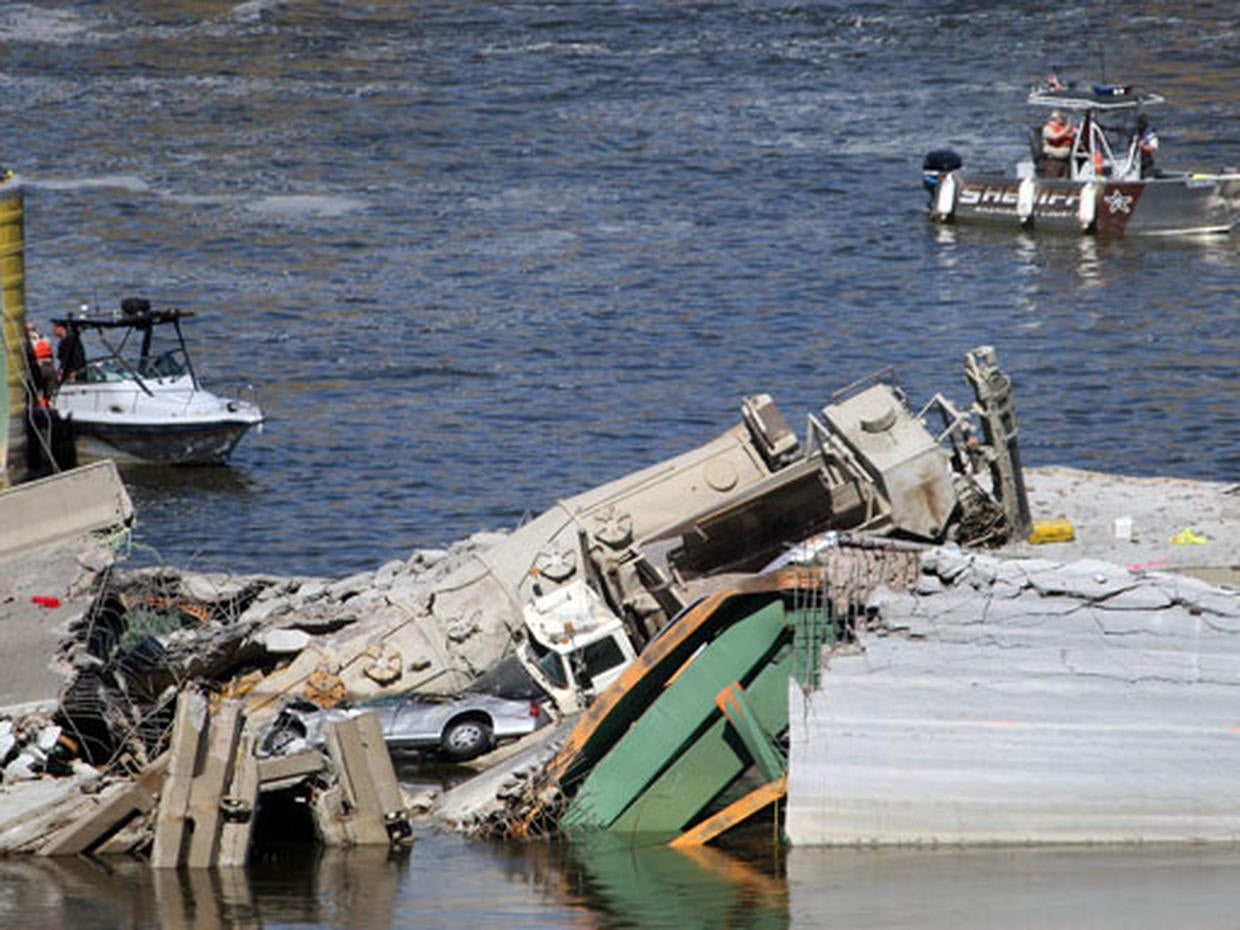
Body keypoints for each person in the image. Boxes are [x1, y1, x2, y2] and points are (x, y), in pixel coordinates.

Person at [1041, 109, 1075, 178]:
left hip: (1065, 160)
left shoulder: (1062, 127)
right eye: (1061, 117)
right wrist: (1066, 129)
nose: (1062, 119)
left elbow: (1069, 137)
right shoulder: (1047, 128)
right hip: (1053, 160)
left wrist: (1073, 132)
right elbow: (1055, 137)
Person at [52, 319, 86, 385]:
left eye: (55, 329)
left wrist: (72, 371)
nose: (54, 331)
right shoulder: (65, 339)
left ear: (60, 328)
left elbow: (69, 356)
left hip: (73, 370)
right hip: (69, 369)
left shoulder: (70, 339)